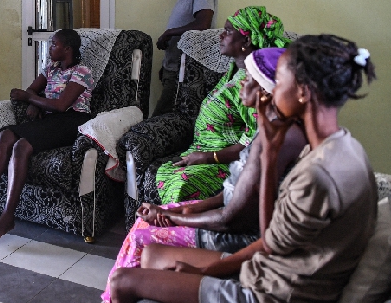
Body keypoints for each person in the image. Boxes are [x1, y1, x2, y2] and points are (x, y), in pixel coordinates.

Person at [108, 34, 377, 303]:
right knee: (152, 255)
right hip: (271, 272)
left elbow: (268, 245)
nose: (271, 91)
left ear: (303, 92)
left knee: (122, 282)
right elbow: (272, 242)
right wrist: (202, 270)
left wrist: (269, 154)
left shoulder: (317, 175)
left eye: (280, 81)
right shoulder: (349, 148)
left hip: (273, 292)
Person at [100, 48, 306, 302]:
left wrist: (173, 216)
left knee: (143, 236)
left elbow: (231, 220)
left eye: (249, 79)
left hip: (239, 235)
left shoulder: (278, 140)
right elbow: (233, 192)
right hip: (236, 221)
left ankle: (122, 293)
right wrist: (187, 209)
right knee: (144, 223)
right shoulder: (265, 130)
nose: (241, 84)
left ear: (267, 91)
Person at [0, 29, 94, 241]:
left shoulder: (82, 71)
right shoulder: (51, 68)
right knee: (8, 136)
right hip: (51, 120)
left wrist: (30, 99)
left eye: (54, 45)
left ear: (67, 49)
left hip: (72, 121)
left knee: (19, 143)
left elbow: (61, 105)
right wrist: (34, 101)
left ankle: (7, 216)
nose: (50, 48)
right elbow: (30, 90)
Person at [154, 6, 289, 205]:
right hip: (202, 152)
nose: (221, 35)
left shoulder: (254, 85)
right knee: (168, 174)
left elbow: (254, 144)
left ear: (246, 41)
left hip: (226, 162)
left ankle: (177, 223)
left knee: (181, 184)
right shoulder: (233, 72)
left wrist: (209, 157)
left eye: (228, 31)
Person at [152, 0, 217, 117]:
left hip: (185, 70)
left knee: (160, 119)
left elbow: (203, 23)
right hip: (175, 66)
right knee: (166, 117)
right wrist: (167, 65)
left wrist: (169, 33)